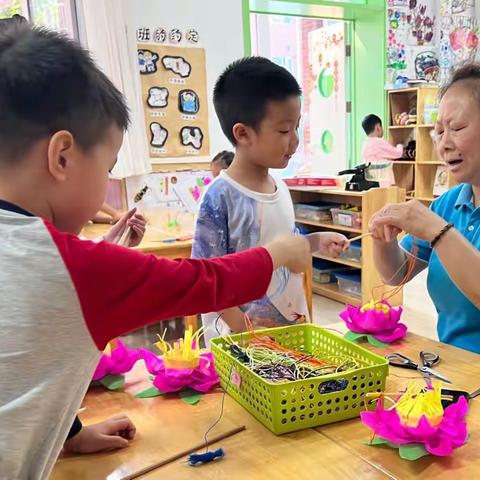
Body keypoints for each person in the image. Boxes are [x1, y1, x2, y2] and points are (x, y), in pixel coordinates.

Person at [0, 24, 311, 479]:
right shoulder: (75, 270)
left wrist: (69, 434)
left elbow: (24, 369)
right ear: (61, 156)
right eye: (107, 168)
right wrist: (279, 253)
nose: (107, 184)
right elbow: (204, 281)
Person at [192, 57, 348, 343]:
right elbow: (206, 281)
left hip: (289, 334)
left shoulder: (280, 187)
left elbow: (282, 247)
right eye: (284, 130)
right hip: (241, 345)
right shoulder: (219, 197)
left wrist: (314, 242)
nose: (296, 140)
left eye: (297, 127)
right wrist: (245, 328)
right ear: (243, 133)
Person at [369, 63, 480, 354]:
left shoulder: (439, 220)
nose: (444, 144)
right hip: (459, 369)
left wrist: (437, 231)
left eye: (456, 128)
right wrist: (384, 241)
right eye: (439, 132)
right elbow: (397, 274)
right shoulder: (448, 204)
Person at [361, 113, 403, 187]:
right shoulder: (379, 142)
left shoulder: (365, 144)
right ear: (378, 127)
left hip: (371, 180)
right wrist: (400, 145)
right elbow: (398, 153)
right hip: (382, 181)